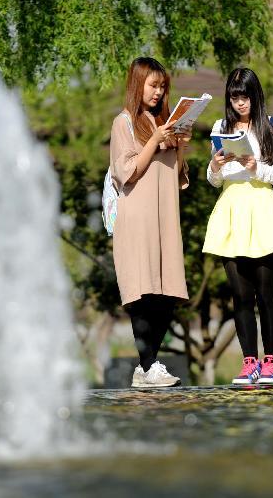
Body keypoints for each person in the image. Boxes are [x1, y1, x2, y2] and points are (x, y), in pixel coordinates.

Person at [202, 67, 273, 385]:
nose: (239, 103)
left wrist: (256, 167)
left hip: (262, 207)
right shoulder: (221, 126)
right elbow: (214, 181)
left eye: (244, 96)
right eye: (234, 97)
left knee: (265, 293)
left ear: (255, 95)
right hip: (231, 209)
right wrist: (214, 167)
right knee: (240, 293)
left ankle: (270, 361)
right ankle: (249, 363)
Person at [109, 57, 191, 388]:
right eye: (152, 85)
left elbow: (179, 175)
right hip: (137, 217)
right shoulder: (124, 122)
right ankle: (149, 363)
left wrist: (180, 145)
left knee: (167, 291)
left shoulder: (164, 124)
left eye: (162, 86)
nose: (158, 93)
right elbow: (126, 171)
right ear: (138, 84)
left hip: (165, 216)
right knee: (142, 292)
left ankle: (146, 370)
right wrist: (155, 140)